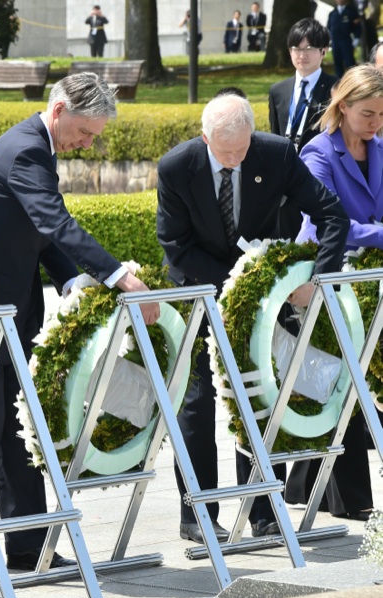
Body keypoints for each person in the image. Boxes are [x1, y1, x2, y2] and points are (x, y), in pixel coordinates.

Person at [0, 73, 162, 574]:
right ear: (59, 111)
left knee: (19, 422)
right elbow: (55, 221)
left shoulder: (39, 145)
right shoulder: (25, 150)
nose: (88, 143)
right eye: (85, 131)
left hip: (12, 305)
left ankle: (26, 544)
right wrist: (120, 276)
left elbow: (40, 231)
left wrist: (71, 281)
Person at [156, 92, 350, 544]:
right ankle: (197, 512)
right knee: (199, 401)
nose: (235, 159)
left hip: (266, 301)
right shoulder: (176, 166)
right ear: (204, 138)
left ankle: (264, 507)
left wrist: (315, 278)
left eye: (241, 151)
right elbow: (175, 244)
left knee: (262, 393)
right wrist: (239, 285)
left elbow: (330, 214)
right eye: (225, 154)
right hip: (202, 292)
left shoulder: (277, 153)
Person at [290, 64, 383, 522]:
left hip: (373, 275)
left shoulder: (382, 148)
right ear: (342, 106)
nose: (376, 123)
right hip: (327, 274)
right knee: (341, 379)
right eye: (368, 113)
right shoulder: (317, 152)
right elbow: (327, 222)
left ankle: (303, 482)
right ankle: (351, 497)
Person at [269, 18, 336, 237]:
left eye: (309, 48)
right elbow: (275, 134)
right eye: (296, 48)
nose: (302, 55)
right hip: (283, 182)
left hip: (317, 177)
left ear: (324, 51)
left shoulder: (335, 89)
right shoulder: (278, 91)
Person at [329, 0, 361, 78]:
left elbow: (357, 26)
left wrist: (357, 38)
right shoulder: (332, 13)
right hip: (335, 42)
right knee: (337, 62)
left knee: (349, 62)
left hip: (346, 41)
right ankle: (339, 82)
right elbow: (329, 27)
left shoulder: (351, 11)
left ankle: (353, 80)